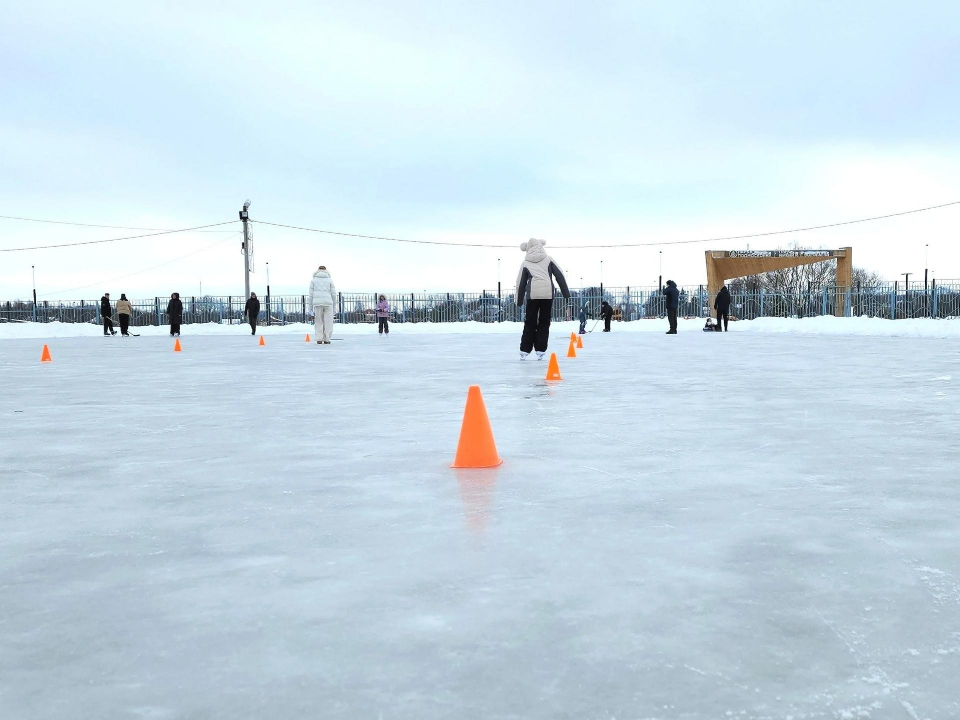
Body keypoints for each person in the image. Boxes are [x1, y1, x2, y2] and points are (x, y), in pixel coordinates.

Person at [515, 238, 570, 360]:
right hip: (547, 294)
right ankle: (540, 349)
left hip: (532, 295)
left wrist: (519, 301)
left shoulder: (525, 263)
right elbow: (559, 275)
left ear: (527, 249)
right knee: (544, 321)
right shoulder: (548, 259)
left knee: (530, 321)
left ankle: (525, 349)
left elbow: (521, 283)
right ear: (541, 246)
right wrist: (566, 293)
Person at [307, 265, 337, 344]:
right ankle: (327, 339)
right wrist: (334, 308)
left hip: (317, 303)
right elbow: (334, 295)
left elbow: (310, 296)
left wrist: (310, 309)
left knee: (318, 321)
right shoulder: (330, 280)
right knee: (328, 322)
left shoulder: (313, 280)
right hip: (328, 303)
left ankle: (319, 338)